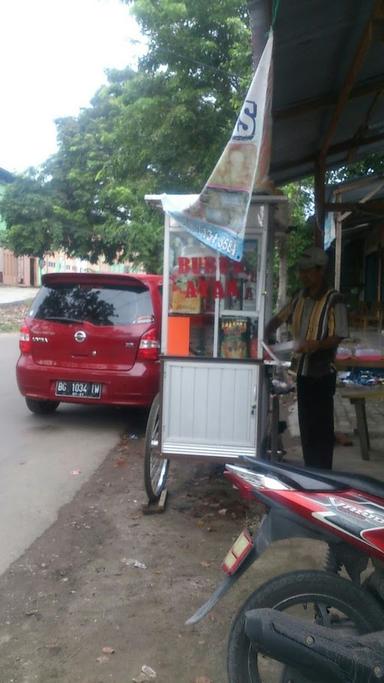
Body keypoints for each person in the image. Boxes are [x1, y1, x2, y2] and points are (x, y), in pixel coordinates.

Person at [265, 246, 348, 469]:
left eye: (307, 271)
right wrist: (264, 332)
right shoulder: (299, 297)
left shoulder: (334, 300)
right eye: (301, 271)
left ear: (320, 271)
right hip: (302, 371)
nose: (302, 275)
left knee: (321, 429)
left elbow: (338, 334)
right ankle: (311, 470)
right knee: (307, 428)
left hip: (322, 373)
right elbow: (279, 318)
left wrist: (317, 344)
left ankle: (323, 474)